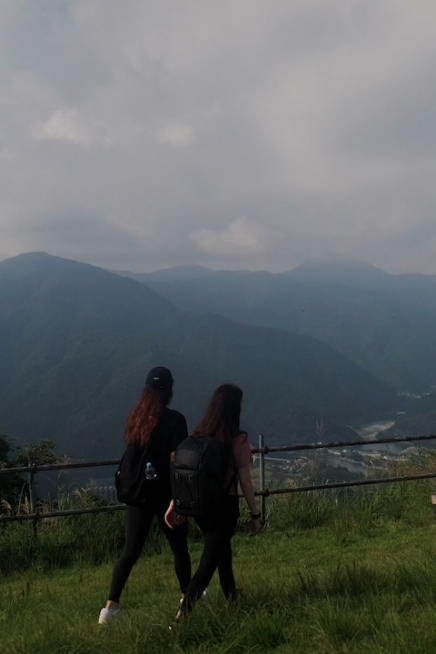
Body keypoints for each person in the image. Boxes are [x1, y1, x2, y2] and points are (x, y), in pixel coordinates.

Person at [99, 366, 191, 624]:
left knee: (130, 551)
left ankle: (110, 608)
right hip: (164, 496)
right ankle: (188, 599)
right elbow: (177, 463)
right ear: (170, 391)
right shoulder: (175, 420)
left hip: (138, 493)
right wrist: (178, 499)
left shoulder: (136, 417)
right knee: (179, 549)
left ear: (146, 389)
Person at [165, 383, 261, 617]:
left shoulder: (199, 437)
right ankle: (181, 617)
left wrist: (174, 504)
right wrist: (255, 515)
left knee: (222, 553)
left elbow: (183, 473)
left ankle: (233, 601)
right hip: (224, 509)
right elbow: (246, 482)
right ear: (234, 408)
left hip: (200, 509)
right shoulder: (237, 440)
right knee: (207, 566)